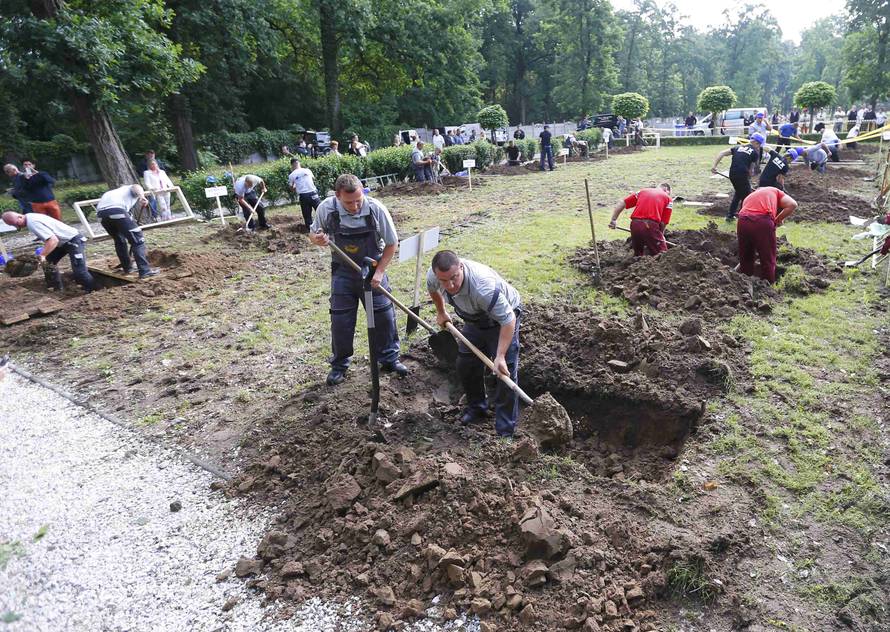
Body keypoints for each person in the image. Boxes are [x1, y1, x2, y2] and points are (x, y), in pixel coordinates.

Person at [309, 174, 407, 386]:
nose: (354, 206)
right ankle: (339, 365)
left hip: (373, 269)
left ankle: (390, 359)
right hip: (343, 271)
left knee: (383, 315)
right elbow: (313, 235)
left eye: (358, 200)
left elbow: (392, 243)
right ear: (337, 196)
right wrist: (318, 239)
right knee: (341, 320)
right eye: (348, 202)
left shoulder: (375, 209)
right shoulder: (327, 209)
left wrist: (380, 272)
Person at [427, 250, 521, 437]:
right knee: (466, 363)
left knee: (504, 373)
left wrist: (500, 355)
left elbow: (508, 320)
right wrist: (441, 312)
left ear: (461, 266)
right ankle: (477, 408)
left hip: (502, 321)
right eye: (444, 281)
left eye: (454, 278)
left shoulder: (482, 287)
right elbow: (432, 289)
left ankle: (505, 430)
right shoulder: (435, 276)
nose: (450, 285)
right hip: (475, 319)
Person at [2, 211, 95, 291]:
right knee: (48, 263)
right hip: (62, 242)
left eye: (16, 223)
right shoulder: (30, 217)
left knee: (79, 271)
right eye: (13, 225)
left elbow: (53, 240)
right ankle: (55, 288)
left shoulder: (32, 222)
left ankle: (93, 290)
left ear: (19, 216)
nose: (16, 226)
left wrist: (42, 255)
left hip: (73, 240)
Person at [736, 187, 798, 284]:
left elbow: (750, 215)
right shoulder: (776, 192)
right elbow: (793, 204)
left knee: (746, 257)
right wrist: (778, 220)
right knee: (767, 258)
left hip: (742, 221)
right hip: (762, 221)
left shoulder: (750, 197)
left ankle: (744, 284)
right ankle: (768, 286)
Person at [95, 184, 158, 278]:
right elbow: (136, 187)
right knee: (138, 240)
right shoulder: (130, 187)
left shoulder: (111, 193)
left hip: (102, 215)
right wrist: (142, 197)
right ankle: (145, 271)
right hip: (117, 211)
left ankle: (128, 267)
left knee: (119, 240)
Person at [608, 183, 673, 256]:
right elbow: (663, 223)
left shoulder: (641, 192)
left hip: (635, 225)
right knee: (663, 255)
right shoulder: (668, 199)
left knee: (638, 255)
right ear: (666, 189)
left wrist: (613, 219)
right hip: (650, 226)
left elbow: (623, 203)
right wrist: (661, 235)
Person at [711, 133, 764, 221]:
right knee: (747, 196)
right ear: (756, 143)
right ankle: (744, 217)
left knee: (739, 193)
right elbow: (751, 171)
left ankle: (730, 215)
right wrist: (749, 181)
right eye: (759, 145)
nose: (759, 147)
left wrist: (714, 166)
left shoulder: (738, 147)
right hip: (742, 175)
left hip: (732, 174)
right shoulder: (755, 153)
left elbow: (722, 153)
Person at [288, 158, 321, 228]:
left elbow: (291, 189)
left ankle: (310, 230)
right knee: (321, 211)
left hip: (304, 196)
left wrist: (295, 185)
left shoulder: (292, 175)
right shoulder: (307, 170)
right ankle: (325, 226)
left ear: (292, 165)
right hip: (314, 193)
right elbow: (313, 179)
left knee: (307, 215)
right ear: (299, 163)